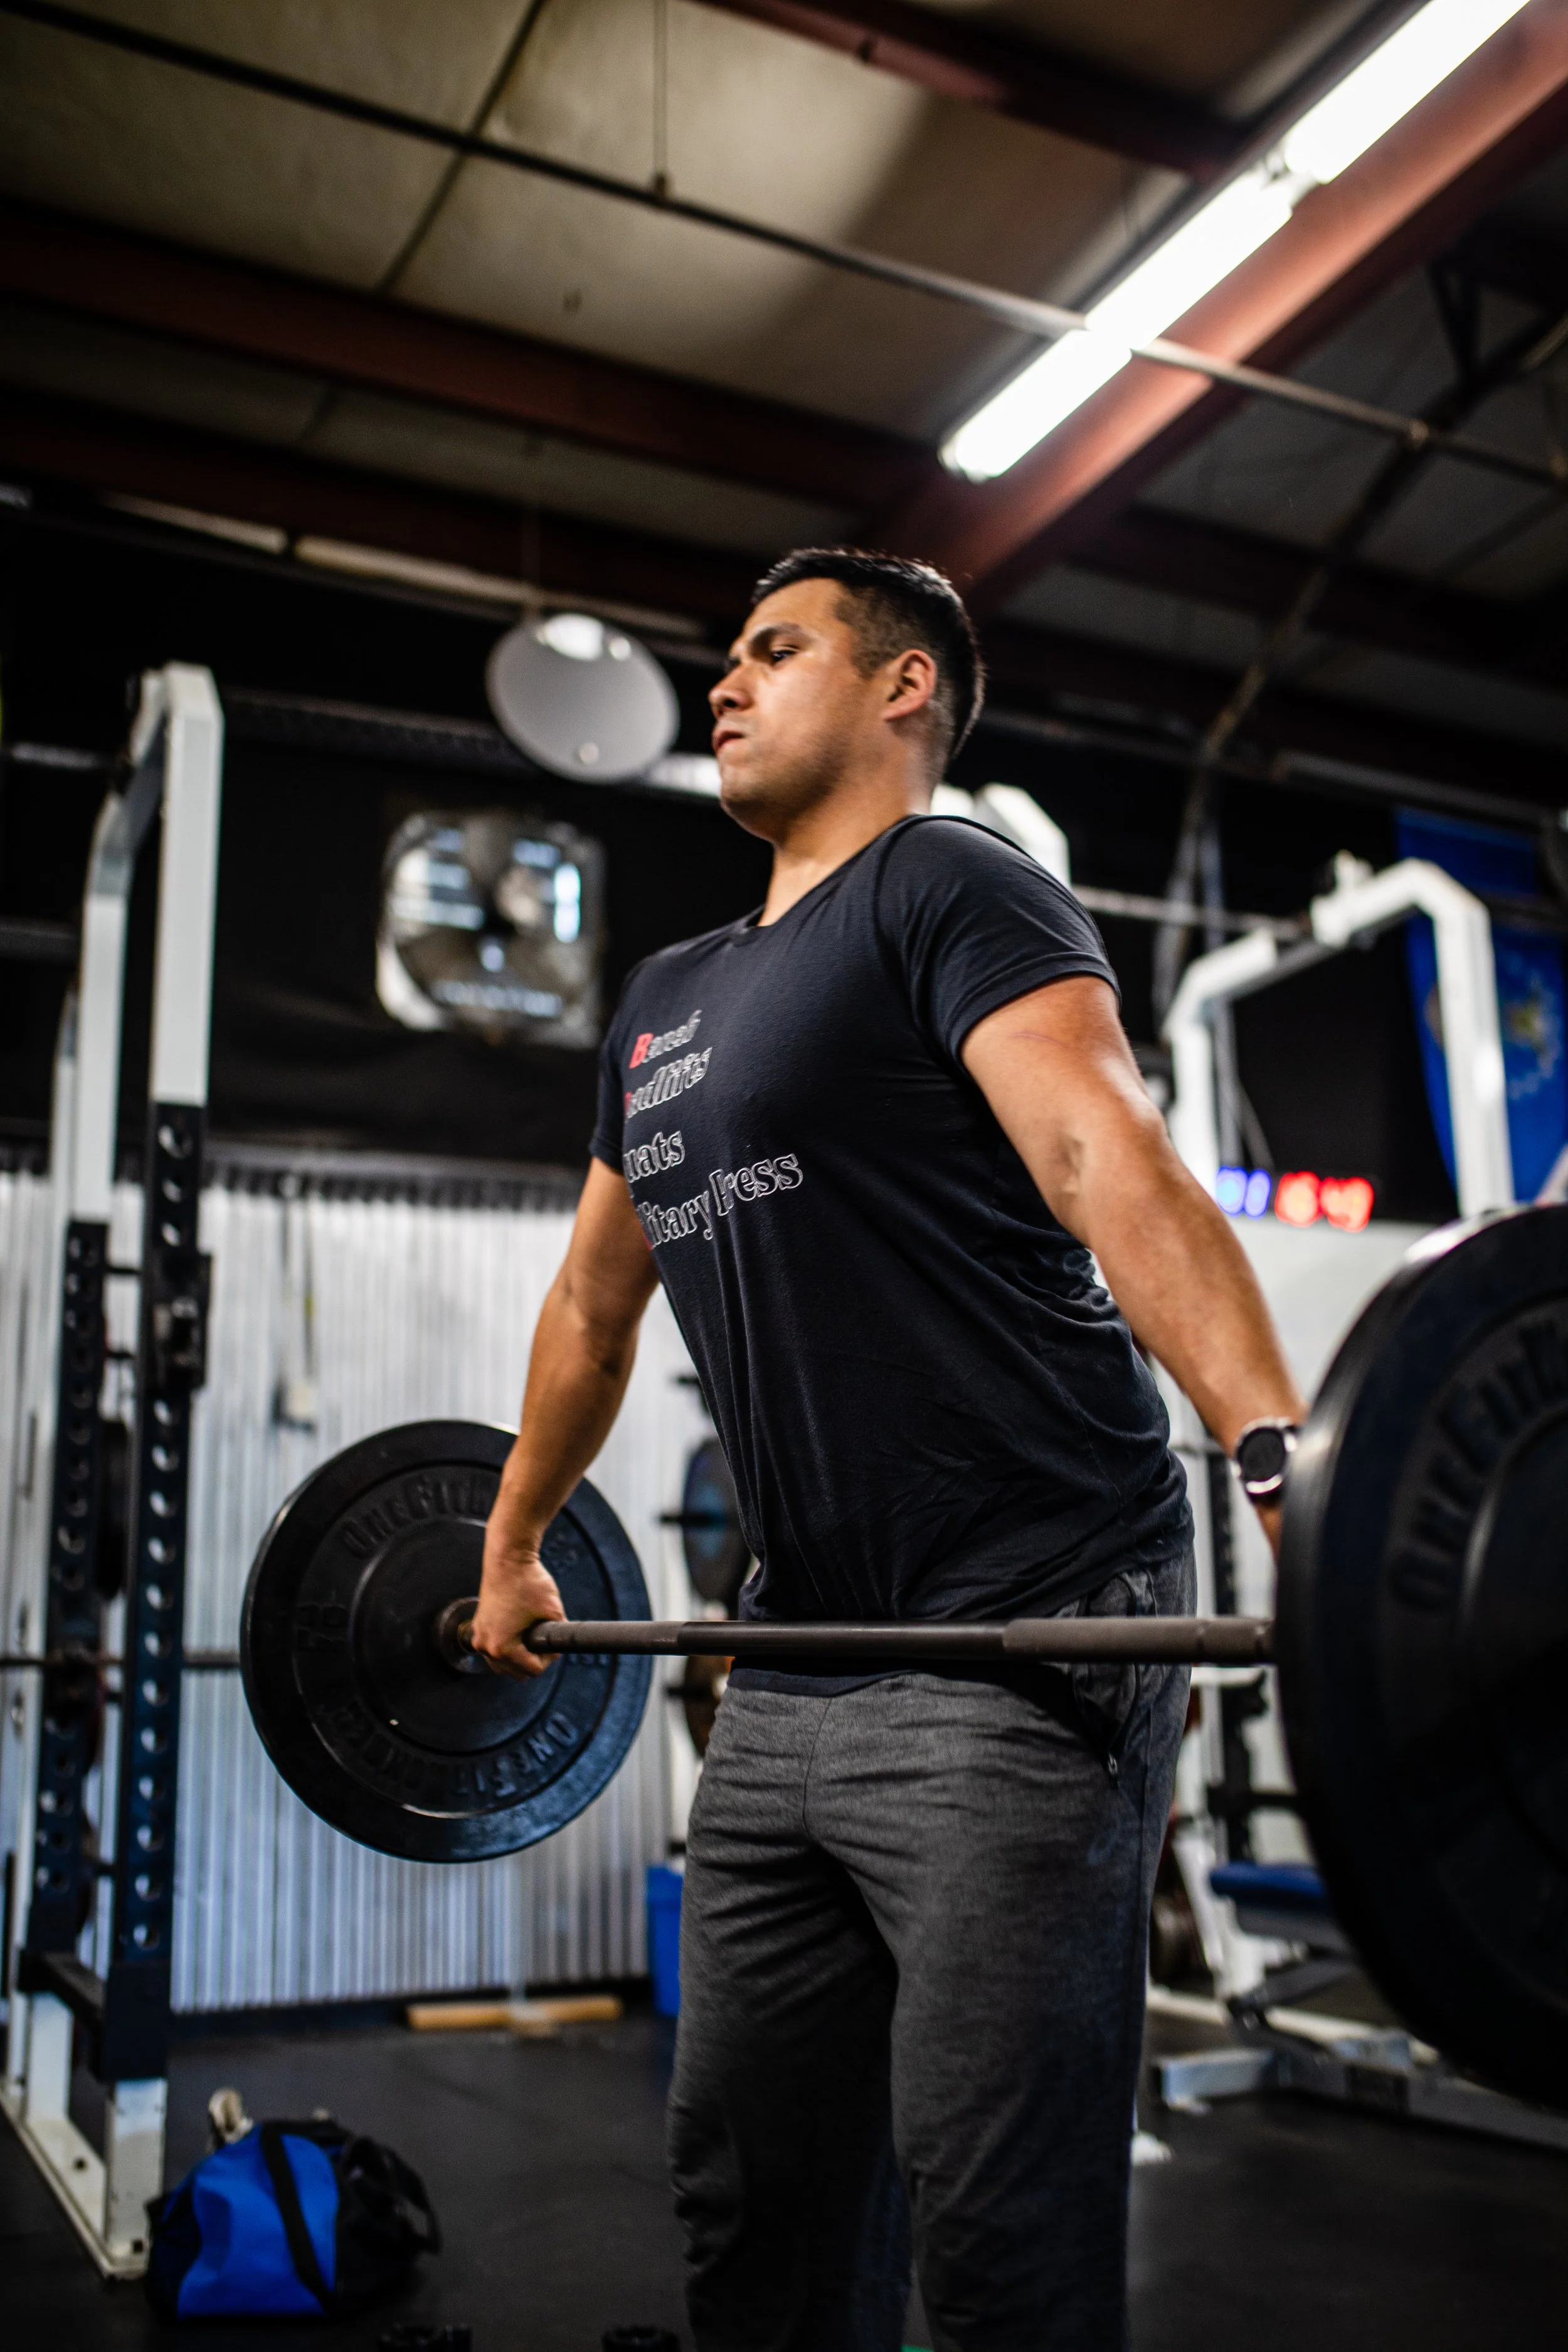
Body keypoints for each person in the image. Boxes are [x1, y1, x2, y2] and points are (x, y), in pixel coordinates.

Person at [472, 548, 1307, 2351]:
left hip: (1024, 1629)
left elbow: (1106, 1160)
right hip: (793, 1655)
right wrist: (511, 1538)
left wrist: (1272, 1446)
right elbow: (591, 1307)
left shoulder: (949, 889)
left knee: (989, 2207)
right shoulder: (664, 996)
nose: (726, 681)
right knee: (749, 2183)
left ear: (902, 687)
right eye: (729, 657)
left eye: (775, 649)